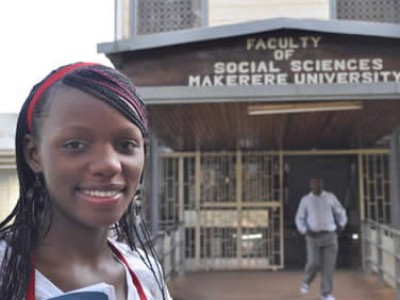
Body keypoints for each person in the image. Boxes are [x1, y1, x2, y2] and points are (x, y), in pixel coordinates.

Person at [0, 62, 172, 300]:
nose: (109, 165)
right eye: (75, 145)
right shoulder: (5, 274)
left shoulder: (145, 275)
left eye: (125, 145)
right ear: (34, 154)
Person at [295, 177, 347, 300]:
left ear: (322, 185)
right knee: (314, 262)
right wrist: (305, 231)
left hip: (329, 235)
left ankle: (326, 293)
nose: (317, 186)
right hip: (313, 236)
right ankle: (306, 281)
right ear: (311, 185)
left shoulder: (330, 197)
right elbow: (299, 218)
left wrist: (341, 225)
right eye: (314, 184)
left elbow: (340, 211)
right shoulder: (306, 200)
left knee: (329, 266)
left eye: (319, 184)